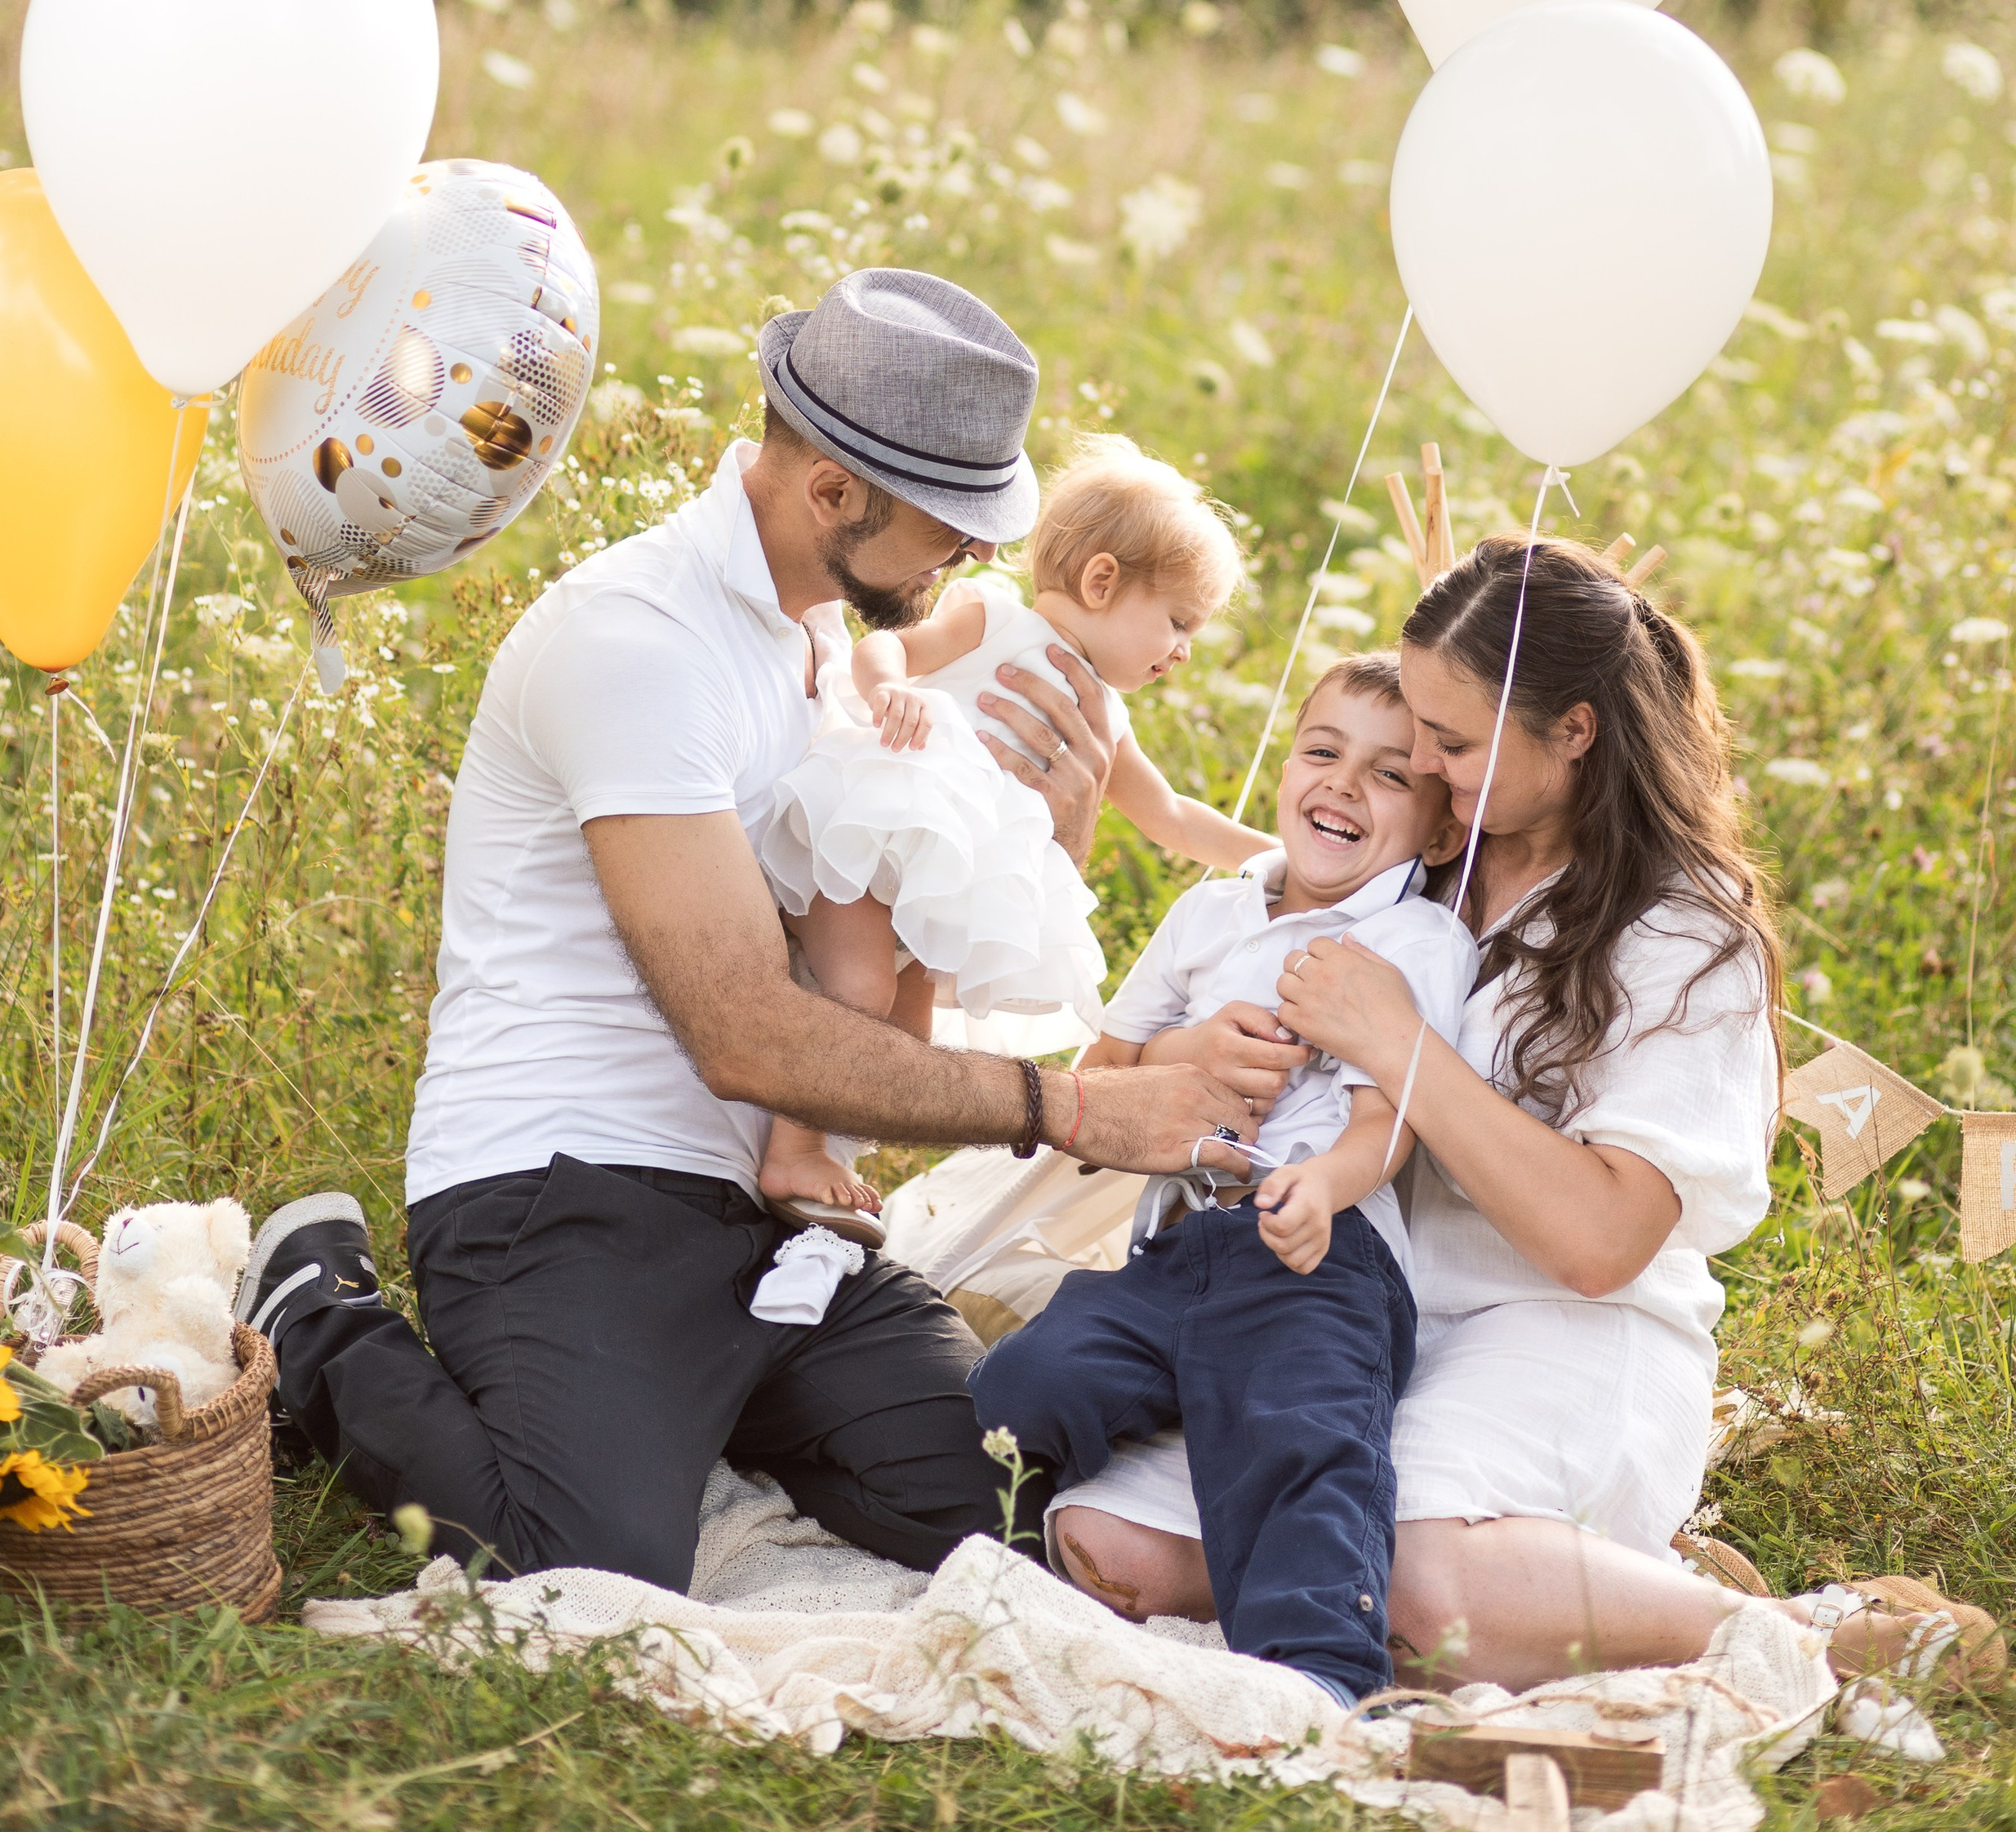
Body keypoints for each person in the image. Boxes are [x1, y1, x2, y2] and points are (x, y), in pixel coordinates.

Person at [231, 269, 1257, 1594]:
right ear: (834, 489)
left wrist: (1041, 835)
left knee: (1006, 1514)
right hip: (564, 1186)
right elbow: (744, 1030)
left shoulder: (843, 643)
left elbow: (877, 1013)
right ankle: (312, 1306)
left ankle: (701, 1418)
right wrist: (1080, 1111)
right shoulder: (641, 641)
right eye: (953, 523)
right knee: (584, 1565)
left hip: (771, 1216)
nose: (981, 558)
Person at [1047, 538, 2002, 1692]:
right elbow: (1261, 925)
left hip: (1561, 1328)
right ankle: (1583, 1579)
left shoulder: (1684, 934)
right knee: (1111, 1551)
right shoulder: (1435, 853)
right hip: (1359, 1311)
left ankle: (1796, 1631)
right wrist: (1179, 1048)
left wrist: (1402, 1046)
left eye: (1453, 741)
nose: (1429, 767)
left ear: (1575, 732)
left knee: (1413, 1591)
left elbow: (1602, 1245)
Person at [973, 656, 1476, 1706]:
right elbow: (1096, 1086)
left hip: (1316, 1253)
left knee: (1301, 1434)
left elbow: (1392, 1122)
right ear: (1287, 763)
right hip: (1170, 1251)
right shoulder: (1211, 914)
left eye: (1389, 776)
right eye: (1323, 751)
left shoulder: (1411, 936)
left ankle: (1318, 1682)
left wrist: (1325, 1185)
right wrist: (1186, 1054)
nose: (1341, 784)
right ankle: (995, 1587)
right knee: (1024, 1387)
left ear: (1436, 832)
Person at [756, 435, 1275, 1226]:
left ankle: (832, 1138)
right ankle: (790, 1149)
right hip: (879, 833)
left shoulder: (1107, 708)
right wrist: (891, 686)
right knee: (858, 988)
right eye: (1176, 620)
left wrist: (1277, 854)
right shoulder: (992, 616)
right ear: (1101, 579)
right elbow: (890, 644)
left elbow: (1166, 811)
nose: (1183, 648)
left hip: (943, 885)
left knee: (910, 1040)